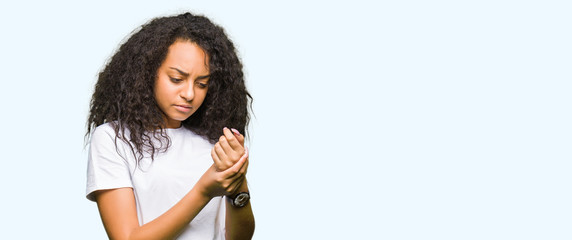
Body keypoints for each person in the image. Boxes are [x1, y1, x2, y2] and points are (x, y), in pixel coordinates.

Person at [85, 12, 254, 240]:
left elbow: (238, 238)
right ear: (147, 73)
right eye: (176, 79)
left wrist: (237, 181)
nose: (189, 94)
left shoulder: (216, 141)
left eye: (202, 84)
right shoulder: (113, 139)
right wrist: (203, 192)